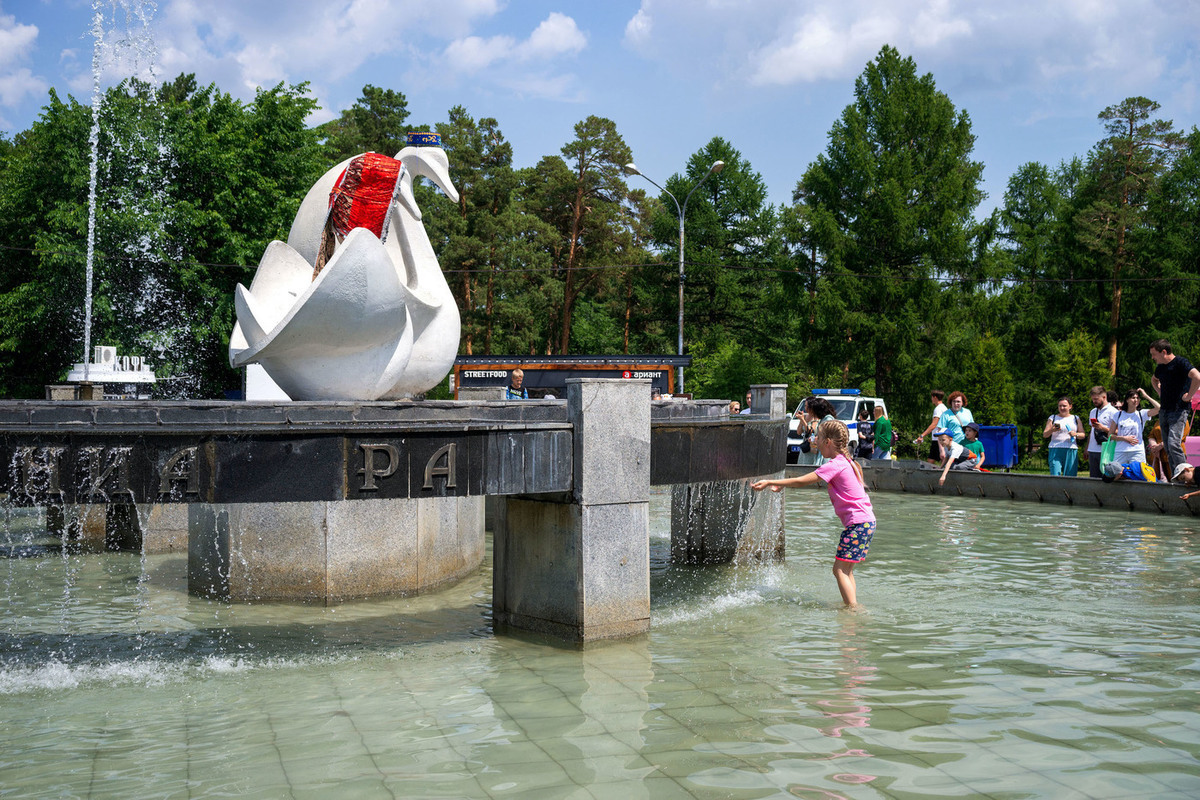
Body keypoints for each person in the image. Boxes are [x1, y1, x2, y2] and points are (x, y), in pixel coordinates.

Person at [751, 419, 875, 609]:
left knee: (839, 570)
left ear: (828, 442)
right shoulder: (849, 462)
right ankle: (852, 605)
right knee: (847, 570)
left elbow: (803, 480)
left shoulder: (836, 464)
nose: (814, 439)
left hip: (858, 524)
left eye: (818, 436)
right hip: (866, 522)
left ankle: (853, 610)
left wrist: (769, 482)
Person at [1150, 340, 1200, 480]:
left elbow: (1197, 376)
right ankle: (1176, 478)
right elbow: (1153, 380)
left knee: (1173, 444)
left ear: (1164, 352)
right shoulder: (1160, 367)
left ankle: (1187, 475)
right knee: (1167, 446)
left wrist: (1189, 396)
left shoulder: (1180, 363)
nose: (1153, 358)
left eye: (1154, 354)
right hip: (1164, 410)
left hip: (1179, 410)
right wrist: (1160, 392)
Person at [1107, 388, 1159, 465]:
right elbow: (1110, 435)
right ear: (1127, 400)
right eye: (1133, 398)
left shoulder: (1142, 414)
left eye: (1137, 398)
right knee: (1118, 474)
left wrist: (1146, 396)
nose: (1135, 400)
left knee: (1138, 474)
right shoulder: (1118, 415)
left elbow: (1159, 408)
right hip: (1120, 450)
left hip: (1137, 451)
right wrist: (1124, 438)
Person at [1042, 396, 1086, 476]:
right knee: (1055, 474)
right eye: (1060, 406)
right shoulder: (1053, 418)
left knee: (1070, 476)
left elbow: (1083, 435)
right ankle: (1056, 488)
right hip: (1055, 449)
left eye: (1064, 406)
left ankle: (1069, 489)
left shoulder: (1075, 418)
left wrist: (1075, 434)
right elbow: (1045, 435)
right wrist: (1052, 429)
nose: (1062, 408)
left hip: (1071, 449)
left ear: (1070, 406)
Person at [1086, 386, 1117, 478]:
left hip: (1107, 449)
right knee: (1094, 477)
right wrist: (1087, 448)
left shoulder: (1113, 412)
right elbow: (1091, 431)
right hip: (1093, 449)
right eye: (1092, 399)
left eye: (1096, 399)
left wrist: (1103, 428)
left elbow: (1118, 432)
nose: (1094, 401)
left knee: (1106, 476)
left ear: (1104, 397)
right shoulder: (1093, 411)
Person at [917, 390, 948, 464]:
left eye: (931, 397)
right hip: (944, 437)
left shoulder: (938, 409)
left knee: (931, 461)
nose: (931, 399)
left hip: (937, 438)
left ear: (935, 397)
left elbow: (934, 424)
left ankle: (930, 475)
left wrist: (922, 435)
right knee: (942, 459)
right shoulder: (944, 408)